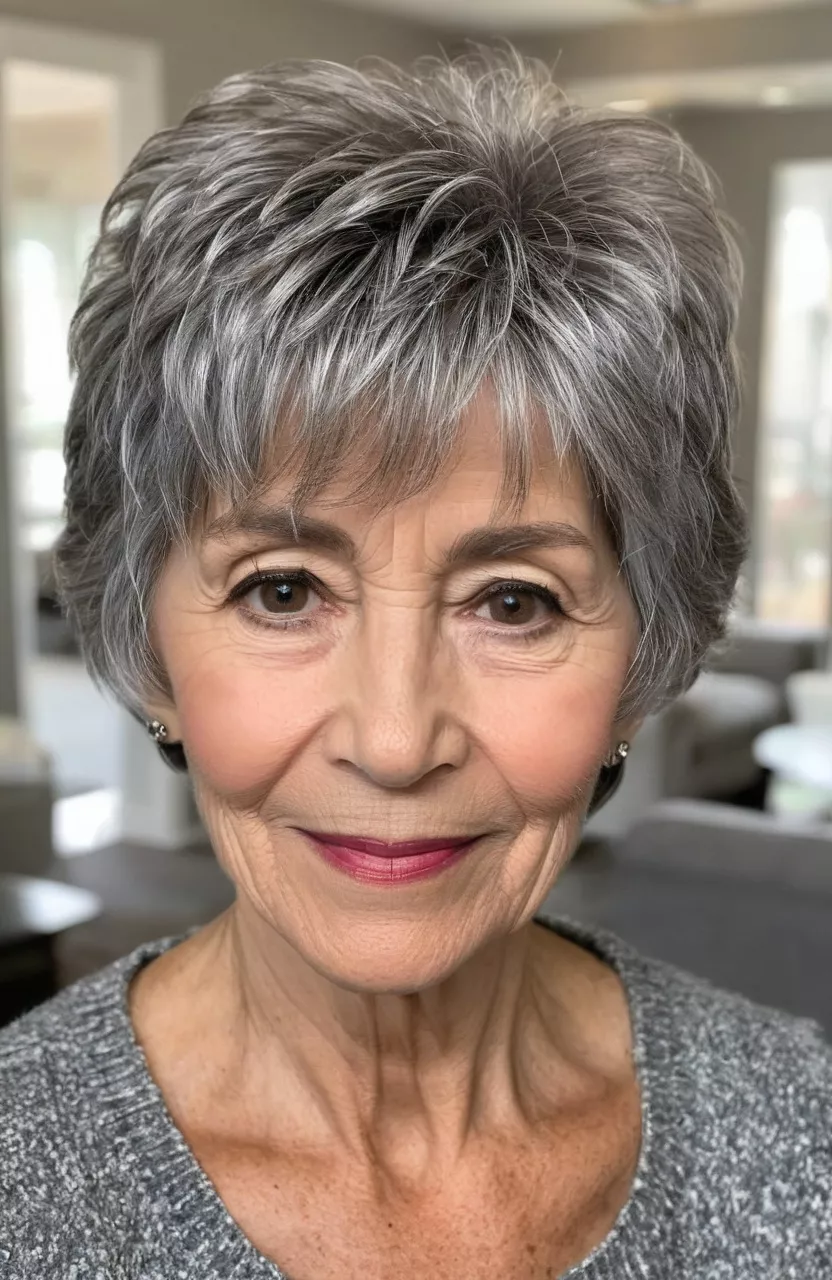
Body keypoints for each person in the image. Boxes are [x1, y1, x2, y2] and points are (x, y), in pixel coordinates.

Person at [1, 45, 829, 1280]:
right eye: (283, 591)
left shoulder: (802, 1128)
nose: (393, 740)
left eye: (514, 599)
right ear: (145, 642)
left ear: (644, 655)